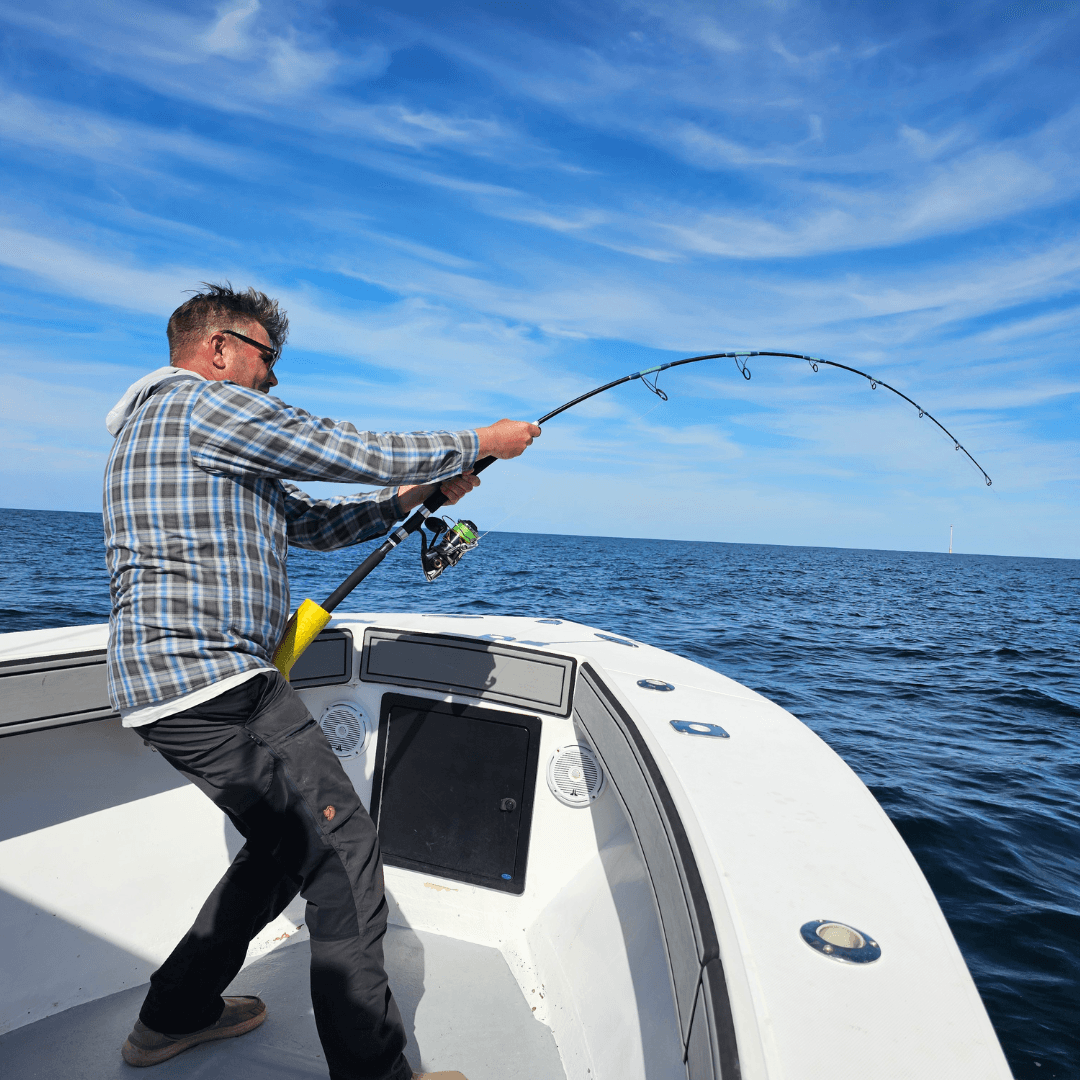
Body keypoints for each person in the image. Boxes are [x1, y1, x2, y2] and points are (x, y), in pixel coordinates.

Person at [103, 283, 539, 1079]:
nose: (274, 378)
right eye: (268, 358)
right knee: (342, 852)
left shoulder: (177, 434)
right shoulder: (201, 407)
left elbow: (314, 522)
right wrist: (480, 439)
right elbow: (338, 444)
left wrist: (417, 496)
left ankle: (173, 1016)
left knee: (282, 850)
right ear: (221, 348)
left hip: (172, 688)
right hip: (218, 681)